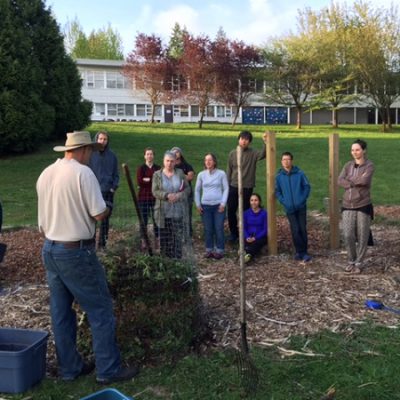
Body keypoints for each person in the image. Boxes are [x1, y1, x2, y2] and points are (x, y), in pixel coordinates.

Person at [36, 131, 138, 384]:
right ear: (83, 150)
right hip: (76, 251)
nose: (92, 154)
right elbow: (98, 213)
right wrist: (108, 207)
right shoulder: (83, 173)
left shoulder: (46, 173)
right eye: (90, 150)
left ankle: (69, 368)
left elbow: (40, 223)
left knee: (60, 313)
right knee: (100, 309)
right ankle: (108, 369)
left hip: (50, 248)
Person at [338, 139, 374, 273]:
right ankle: (351, 260)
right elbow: (339, 180)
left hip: (363, 204)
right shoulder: (348, 165)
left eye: (357, 149)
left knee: (362, 235)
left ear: (363, 150)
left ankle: (359, 262)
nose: (354, 152)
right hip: (347, 204)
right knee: (348, 234)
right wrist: (352, 182)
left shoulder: (369, 165)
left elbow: (365, 181)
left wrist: (348, 180)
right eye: (353, 150)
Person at [226, 131, 266, 243]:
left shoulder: (253, 153)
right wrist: (227, 185)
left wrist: (265, 142)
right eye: (242, 138)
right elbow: (229, 170)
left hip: (247, 187)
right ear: (239, 139)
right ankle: (234, 234)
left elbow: (263, 154)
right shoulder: (232, 153)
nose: (244, 141)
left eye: (247, 139)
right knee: (231, 210)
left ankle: (245, 234)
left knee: (245, 211)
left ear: (249, 142)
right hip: (234, 185)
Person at [152, 150, 190, 259]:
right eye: (167, 161)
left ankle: (177, 262)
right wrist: (167, 195)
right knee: (165, 240)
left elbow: (187, 189)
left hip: (178, 212)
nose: (169, 163)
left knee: (177, 239)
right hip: (162, 213)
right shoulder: (157, 175)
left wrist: (179, 195)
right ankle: (165, 262)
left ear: (175, 162)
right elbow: (155, 191)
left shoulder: (180, 173)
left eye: (172, 161)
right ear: (163, 161)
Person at [275, 152, 311, 262]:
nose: (286, 161)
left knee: (302, 229)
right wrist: (284, 201)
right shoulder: (279, 176)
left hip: (301, 207)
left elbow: (307, 187)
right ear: (281, 162)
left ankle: (304, 252)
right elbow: (277, 191)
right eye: (284, 159)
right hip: (289, 207)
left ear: (292, 161)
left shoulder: (299, 174)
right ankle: (298, 252)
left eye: (288, 159)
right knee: (295, 230)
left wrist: (302, 199)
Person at [88, 130, 119, 249]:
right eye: (100, 139)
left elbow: (116, 174)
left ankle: (102, 244)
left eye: (105, 139)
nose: (102, 141)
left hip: (108, 191)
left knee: (105, 220)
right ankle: (90, 244)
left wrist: (113, 187)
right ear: (96, 140)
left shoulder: (112, 155)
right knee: (92, 218)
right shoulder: (91, 154)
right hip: (93, 191)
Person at [195, 153, 229, 260]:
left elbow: (226, 189)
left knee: (218, 228)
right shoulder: (201, 175)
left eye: (210, 160)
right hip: (205, 206)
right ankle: (209, 249)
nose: (208, 162)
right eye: (206, 160)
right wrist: (198, 204)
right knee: (208, 229)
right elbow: (197, 190)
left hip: (218, 206)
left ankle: (220, 250)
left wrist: (223, 203)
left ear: (214, 161)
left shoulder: (221, 173)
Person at [136, 147, 161, 250]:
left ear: (153, 156)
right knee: (144, 220)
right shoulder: (141, 168)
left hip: (155, 198)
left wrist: (147, 180)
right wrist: (152, 180)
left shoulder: (158, 168)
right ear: (144, 156)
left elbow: (159, 183)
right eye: (147, 154)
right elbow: (139, 182)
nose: (149, 156)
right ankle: (144, 241)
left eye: (151, 154)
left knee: (156, 220)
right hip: (143, 198)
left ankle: (157, 240)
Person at [171, 147, 195, 237]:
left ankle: (188, 235)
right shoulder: (170, 165)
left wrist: (177, 174)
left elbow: (190, 177)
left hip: (186, 196)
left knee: (187, 216)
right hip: (174, 196)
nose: (176, 154)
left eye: (177, 152)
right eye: (173, 152)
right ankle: (177, 234)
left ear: (180, 154)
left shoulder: (187, 166)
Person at [243, 193, 268, 264]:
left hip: (260, 236)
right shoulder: (246, 213)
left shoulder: (264, 213)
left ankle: (248, 255)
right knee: (245, 241)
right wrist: (247, 236)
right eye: (252, 200)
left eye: (256, 200)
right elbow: (244, 227)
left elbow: (265, 229)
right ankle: (246, 255)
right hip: (248, 235)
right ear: (250, 202)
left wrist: (255, 238)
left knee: (257, 243)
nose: (253, 202)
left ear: (259, 201)